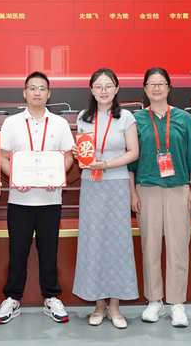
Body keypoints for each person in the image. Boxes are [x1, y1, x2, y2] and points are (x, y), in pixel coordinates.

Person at [0, 71, 75, 324]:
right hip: (19, 200)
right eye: (32, 88)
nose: (37, 92)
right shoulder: (12, 123)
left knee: (49, 252)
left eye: (42, 88)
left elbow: (68, 157)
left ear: (48, 94)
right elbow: (2, 157)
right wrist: (16, 176)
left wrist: (58, 173)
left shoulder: (60, 123)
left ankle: (51, 297)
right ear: (25, 92)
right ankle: (12, 298)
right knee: (17, 252)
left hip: (51, 200)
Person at [128, 67, 191, 328]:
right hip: (146, 187)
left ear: (169, 87)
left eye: (161, 83)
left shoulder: (183, 118)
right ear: (145, 89)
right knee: (150, 247)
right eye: (151, 84)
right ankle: (154, 300)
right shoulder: (135, 119)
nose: (156, 88)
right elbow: (131, 161)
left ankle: (177, 303)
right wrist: (132, 192)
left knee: (178, 246)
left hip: (178, 188)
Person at [72, 68, 139, 329]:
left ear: (116, 88)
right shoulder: (83, 117)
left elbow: (133, 152)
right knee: (93, 242)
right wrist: (78, 152)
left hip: (116, 184)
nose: (103, 91)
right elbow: (84, 152)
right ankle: (98, 304)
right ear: (91, 89)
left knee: (118, 243)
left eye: (108, 86)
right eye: (98, 86)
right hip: (91, 185)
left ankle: (115, 306)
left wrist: (107, 165)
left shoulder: (126, 117)